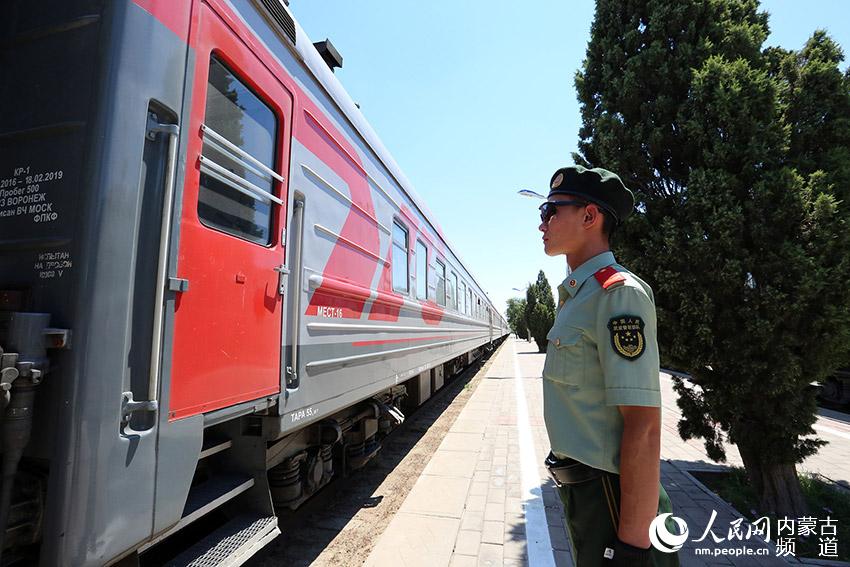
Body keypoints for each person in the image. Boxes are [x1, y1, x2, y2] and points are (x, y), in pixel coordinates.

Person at [538, 165, 679, 566]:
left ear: (589, 216)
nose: (542, 224)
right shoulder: (579, 296)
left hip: (613, 497)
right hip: (586, 493)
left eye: (551, 211)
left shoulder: (618, 295)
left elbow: (643, 423)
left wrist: (634, 545)